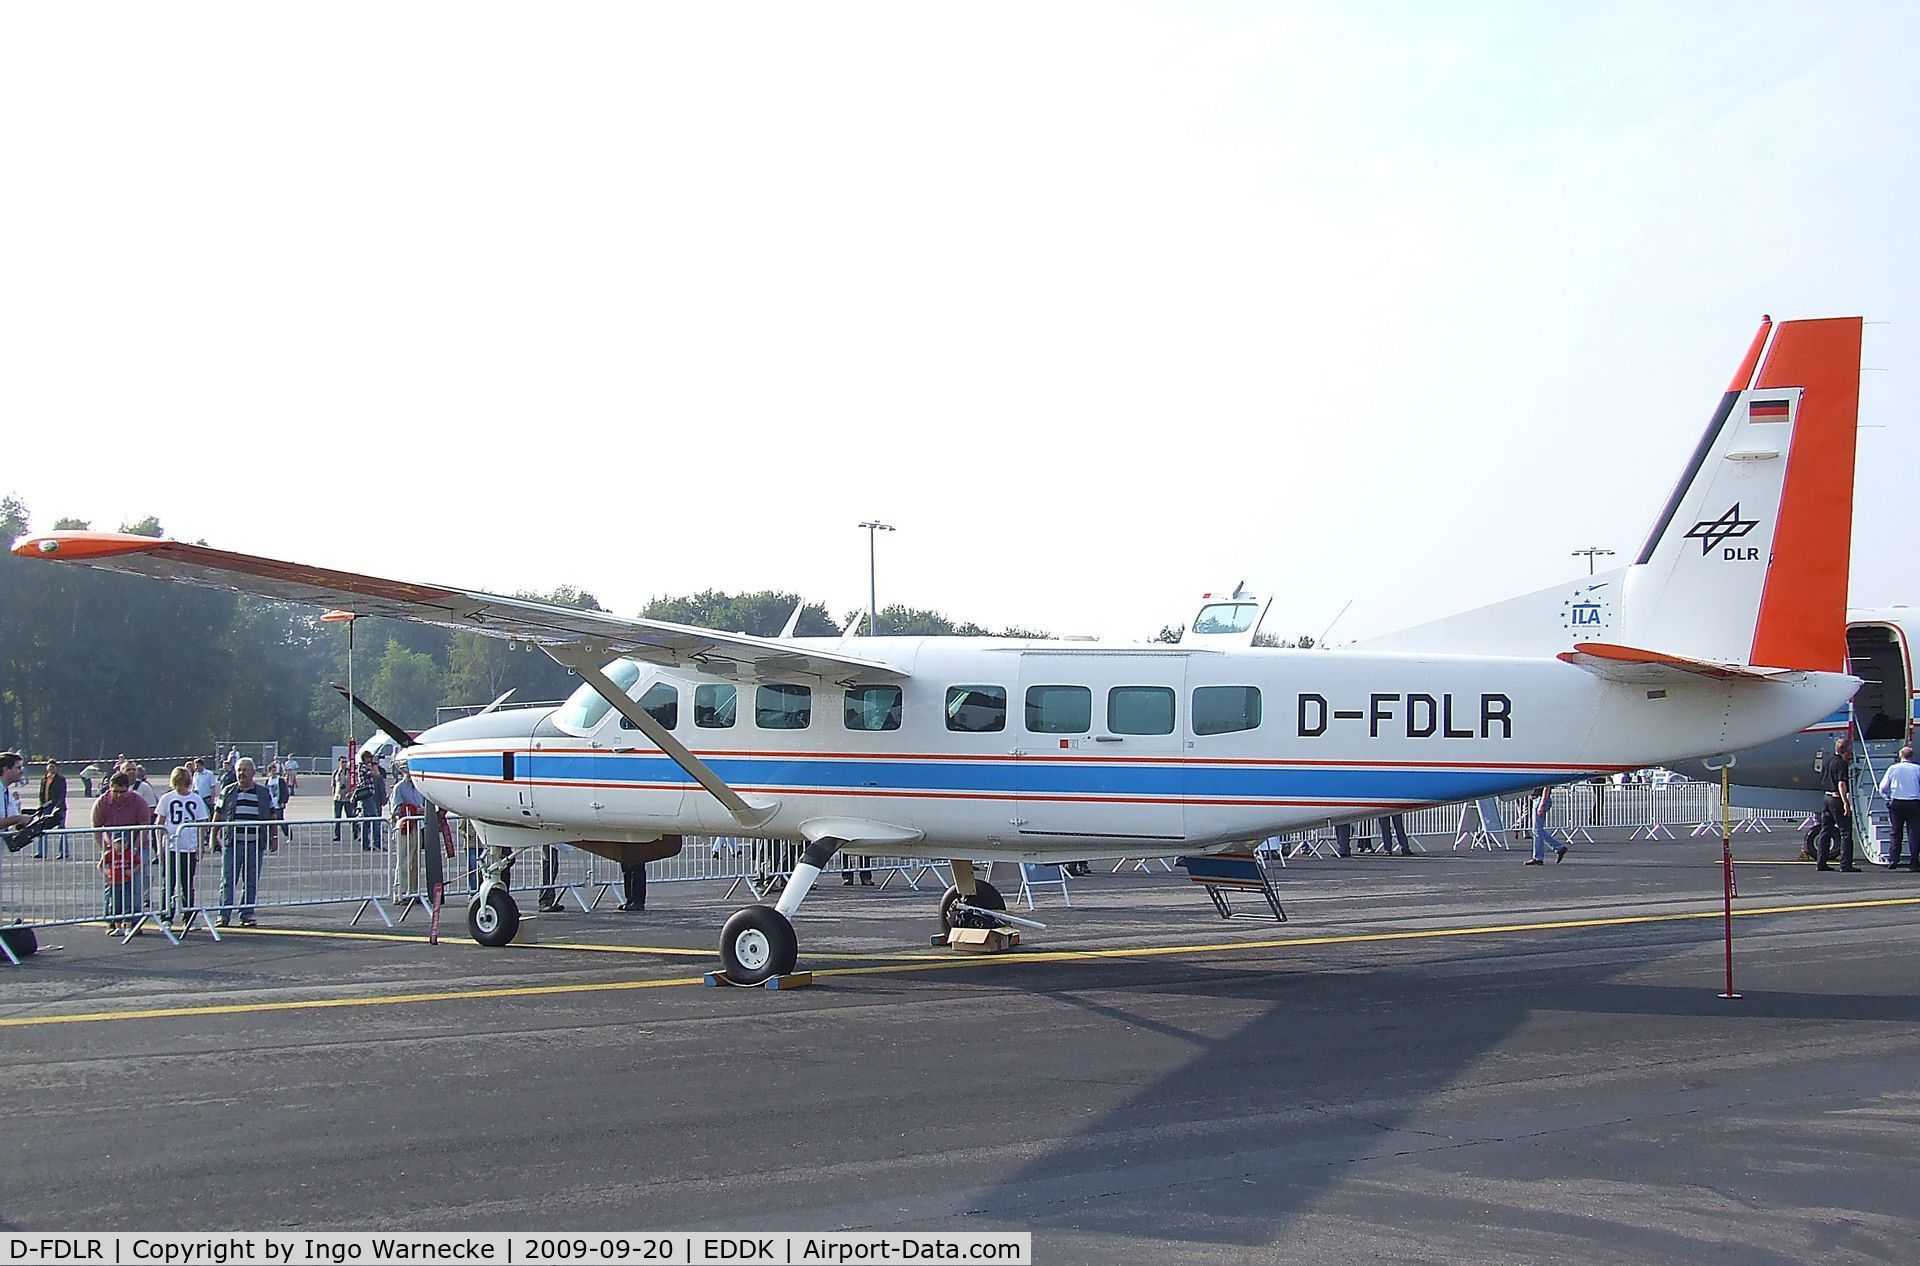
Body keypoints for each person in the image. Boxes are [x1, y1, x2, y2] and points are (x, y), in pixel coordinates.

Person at [213, 757, 280, 927]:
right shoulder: (228, 791)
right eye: (239, 770)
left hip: (255, 843)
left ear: (253, 772)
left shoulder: (264, 793)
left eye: (244, 770)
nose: (241, 774)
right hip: (232, 843)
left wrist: (274, 837)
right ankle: (224, 914)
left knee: (251, 880)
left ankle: (246, 914)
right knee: (228, 880)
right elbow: (218, 814)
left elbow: (272, 815)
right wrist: (213, 836)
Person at [92, 771, 153, 934]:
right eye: (115, 791)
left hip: (136, 844)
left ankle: (134, 921)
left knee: (135, 883)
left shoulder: (138, 801)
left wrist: (135, 850)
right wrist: (105, 850)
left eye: (122, 792)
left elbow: (145, 826)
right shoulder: (102, 802)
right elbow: (96, 829)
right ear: (110, 788)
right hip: (113, 846)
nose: (119, 795)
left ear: (128, 789)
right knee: (112, 886)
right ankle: (112, 920)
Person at [155, 766, 208, 928]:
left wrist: (200, 846)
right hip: (171, 847)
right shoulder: (167, 798)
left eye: (184, 783)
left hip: (189, 847)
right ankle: (166, 916)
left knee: (187, 883)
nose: (182, 787)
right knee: (168, 883)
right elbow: (160, 823)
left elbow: (201, 824)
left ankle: (188, 917)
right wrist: (159, 847)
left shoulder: (196, 799)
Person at [1817, 734, 1858, 872]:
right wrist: (1845, 802)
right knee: (1845, 832)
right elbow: (1841, 783)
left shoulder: (1827, 761)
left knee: (1825, 830)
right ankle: (1845, 864)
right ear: (1847, 750)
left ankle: (1821, 862)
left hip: (1826, 797)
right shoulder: (1841, 763)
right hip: (1836, 797)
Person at [1877, 745, 1920, 872]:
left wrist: (1887, 798)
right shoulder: (1917, 769)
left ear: (1900, 756)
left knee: (1896, 832)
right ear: (1911, 756)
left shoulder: (1893, 768)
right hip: (1913, 802)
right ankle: (1914, 861)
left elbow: (1883, 787)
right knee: (1914, 833)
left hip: (1897, 802)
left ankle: (1893, 860)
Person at [34, 759, 69, 858]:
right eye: (49, 766)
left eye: (53, 766)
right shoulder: (44, 779)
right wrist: (42, 806)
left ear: (56, 768)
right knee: (42, 829)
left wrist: (57, 806)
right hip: (46, 807)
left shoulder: (61, 779)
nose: (51, 768)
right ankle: (41, 852)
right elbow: (41, 794)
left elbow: (62, 794)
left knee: (61, 829)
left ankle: (63, 852)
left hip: (59, 808)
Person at [1527, 785, 1568, 865]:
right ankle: (1558, 848)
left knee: (1537, 830)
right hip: (1537, 799)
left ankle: (1539, 857)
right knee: (1537, 830)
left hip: (1541, 799)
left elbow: (1547, 787)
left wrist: (1542, 804)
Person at [354, 752, 387, 850]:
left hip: (367, 796)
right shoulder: (363, 767)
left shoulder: (363, 767)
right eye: (369, 758)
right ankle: (377, 842)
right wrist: (375, 763)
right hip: (367, 796)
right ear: (365, 758)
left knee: (366, 822)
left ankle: (365, 844)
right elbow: (376, 774)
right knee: (375, 820)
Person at [331, 756, 354, 842]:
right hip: (338, 797)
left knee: (350, 816)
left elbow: (353, 784)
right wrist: (334, 795)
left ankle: (355, 832)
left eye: (345, 762)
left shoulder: (350, 772)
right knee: (337, 817)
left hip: (347, 797)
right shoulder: (336, 772)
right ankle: (337, 835)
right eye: (342, 762)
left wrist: (351, 793)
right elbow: (333, 785)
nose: (344, 763)